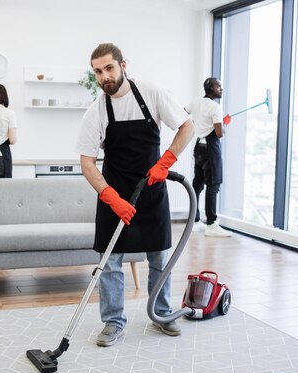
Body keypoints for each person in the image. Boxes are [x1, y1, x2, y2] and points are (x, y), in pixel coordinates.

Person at [75, 43, 194, 347]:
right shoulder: (97, 111)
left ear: (123, 65)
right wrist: (110, 197)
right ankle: (114, 322)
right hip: (115, 193)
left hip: (152, 190)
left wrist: (165, 162)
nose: (105, 76)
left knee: (159, 257)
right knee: (110, 262)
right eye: (98, 71)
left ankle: (161, 313)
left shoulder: (151, 92)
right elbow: (87, 162)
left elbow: (186, 125)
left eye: (109, 68)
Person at [184, 77, 233, 237]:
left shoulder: (196, 102)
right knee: (213, 185)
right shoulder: (215, 107)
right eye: (219, 86)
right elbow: (219, 134)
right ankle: (212, 224)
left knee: (197, 185)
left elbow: (182, 113)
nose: (221, 89)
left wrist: (196, 123)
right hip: (210, 150)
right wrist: (224, 123)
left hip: (198, 148)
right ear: (211, 88)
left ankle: (196, 220)